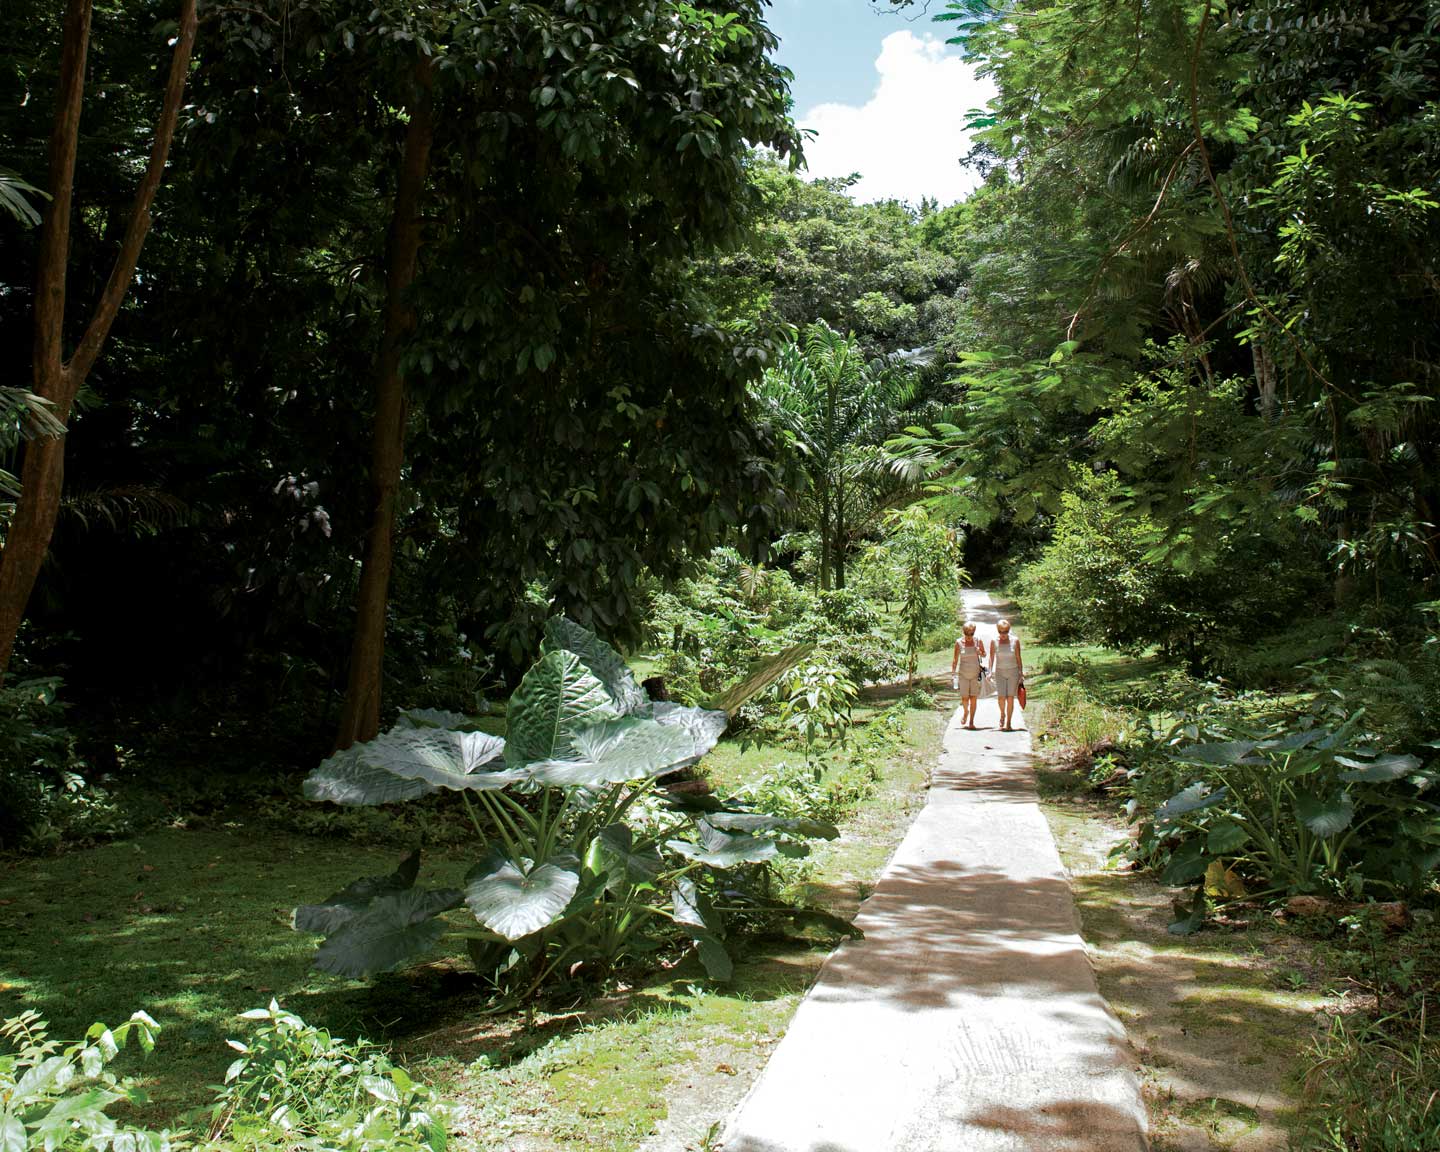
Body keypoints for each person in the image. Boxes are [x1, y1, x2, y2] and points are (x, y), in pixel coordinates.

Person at [988, 618, 1024, 731]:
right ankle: (1002, 714)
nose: (1003, 634)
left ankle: (1008, 722)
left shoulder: (1015, 641)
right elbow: (991, 657)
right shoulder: (994, 641)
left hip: (1013, 671)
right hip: (1000, 671)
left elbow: (1018, 657)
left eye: (1005, 632)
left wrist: (1021, 673)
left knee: (1010, 698)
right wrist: (989, 671)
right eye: (1000, 632)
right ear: (997, 631)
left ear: (1009, 630)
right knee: (1001, 697)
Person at [951, 622, 986, 729]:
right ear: (963, 632)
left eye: (971, 633)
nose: (969, 636)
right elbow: (955, 659)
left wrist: (979, 652)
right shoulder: (958, 643)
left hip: (975, 673)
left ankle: (971, 721)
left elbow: (984, 654)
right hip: (963, 674)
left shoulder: (978, 641)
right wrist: (953, 673)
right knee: (965, 697)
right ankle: (966, 711)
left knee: (973, 697)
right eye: (967, 633)